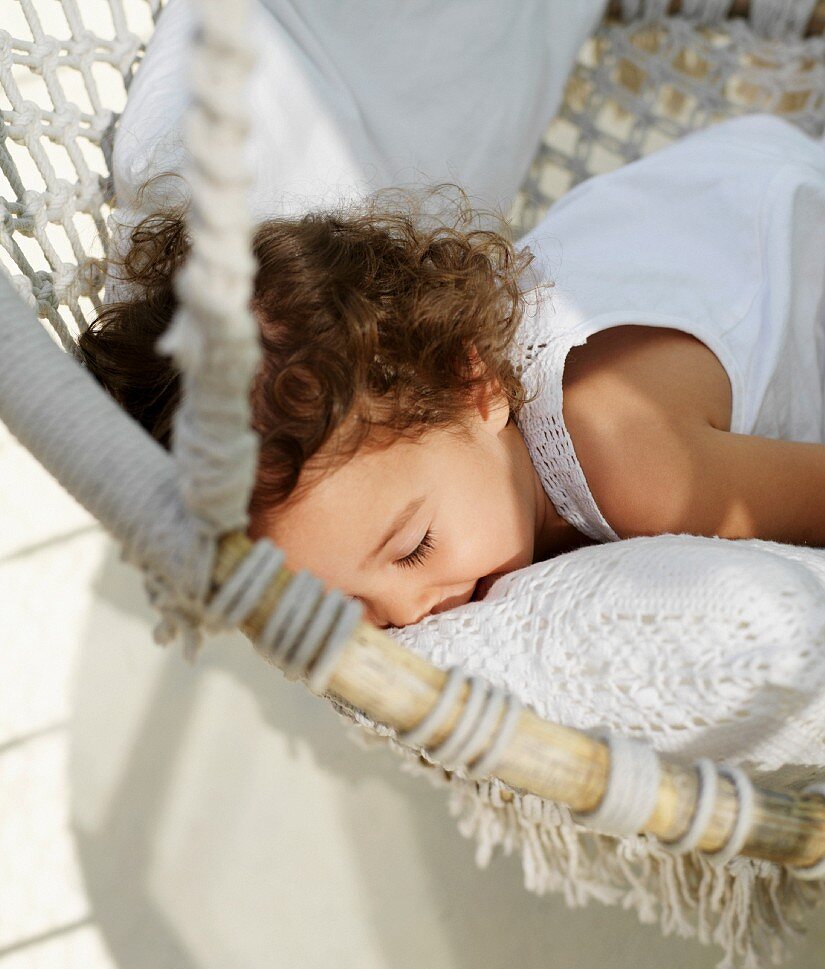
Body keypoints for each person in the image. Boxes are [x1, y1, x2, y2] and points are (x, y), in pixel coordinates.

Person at [77, 112, 825, 629]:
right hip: (709, 186)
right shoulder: (459, 460)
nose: (405, 615)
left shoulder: (635, 471)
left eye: (413, 548)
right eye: (348, 609)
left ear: (478, 387)